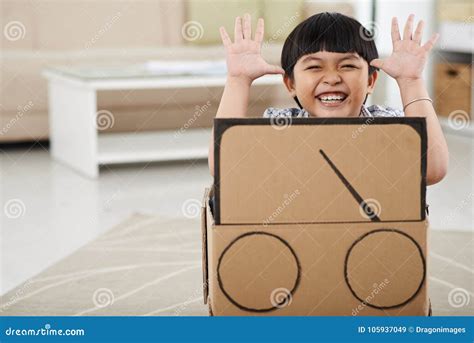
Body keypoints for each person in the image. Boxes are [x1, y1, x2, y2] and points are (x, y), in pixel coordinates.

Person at [208, 12, 448, 186]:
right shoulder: (280, 124)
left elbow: (433, 170)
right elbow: (224, 168)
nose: (332, 78)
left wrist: (411, 82)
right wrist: (238, 81)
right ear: (290, 83)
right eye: (314, 67)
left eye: (347, 65)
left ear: (370, 82)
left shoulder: (387, 123)